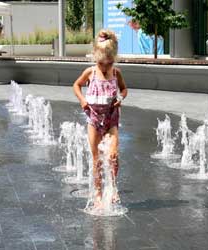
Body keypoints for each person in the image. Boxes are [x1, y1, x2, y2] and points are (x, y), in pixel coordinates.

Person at [73, 29, 128, 207]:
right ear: (95, 58)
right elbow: (76, 85)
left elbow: (124, 89)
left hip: (111, 119)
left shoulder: (116, 73)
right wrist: (82, 99)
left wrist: (120, 98)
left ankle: (112, 186)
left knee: (112, 155)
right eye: (102, 63)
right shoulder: (90, 72)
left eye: (109, 63)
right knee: (96, 158)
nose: (105, 67)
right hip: (94, 120)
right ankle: (97, 192)